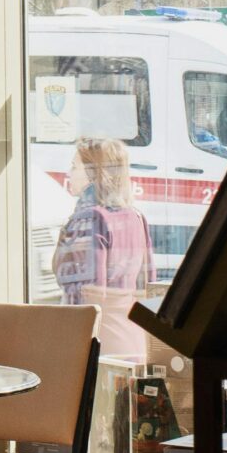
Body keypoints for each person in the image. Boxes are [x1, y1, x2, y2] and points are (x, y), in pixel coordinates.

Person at [52, 135, 156, 360]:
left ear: (93, 173)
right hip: (134, 341)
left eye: (74, 166)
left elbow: (87, 297)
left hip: (101, 349)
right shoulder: (136, 217)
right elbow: (148, 286)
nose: (69, 173)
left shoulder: (89, 219)